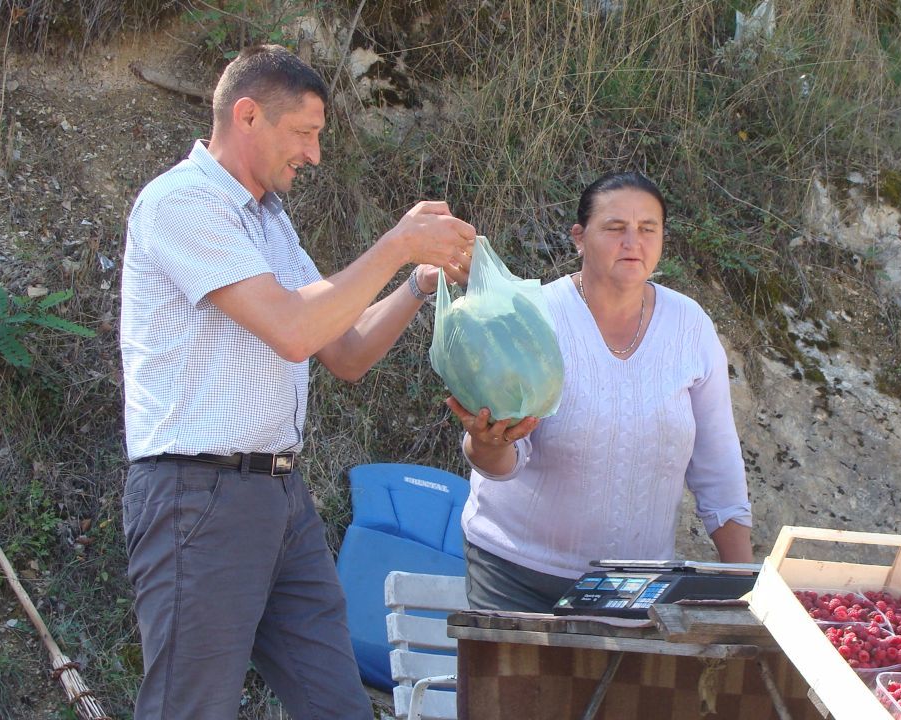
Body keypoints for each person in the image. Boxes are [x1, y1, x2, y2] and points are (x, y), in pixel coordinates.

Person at [118, 45, 475, 719]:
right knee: (189, 708)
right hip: (196, 499)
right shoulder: (181, 203)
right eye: (304, 133)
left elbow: (344, 349)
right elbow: (291, 329)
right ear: (248, 116)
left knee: (337, 703)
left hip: (280, 498)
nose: (314, 154)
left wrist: (418, 284)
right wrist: (397, 243)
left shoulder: (269, 223)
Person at [446, 171, 754, 612]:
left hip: (635, 586)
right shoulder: (533, 317)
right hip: (519, 573)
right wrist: (486, 443)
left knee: (628, 685)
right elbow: (502, 459)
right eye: (614, 228)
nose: (633, 242)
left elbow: (718, 464)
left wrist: (743, 586)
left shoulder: (690, 326)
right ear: (579, 237)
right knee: (523, 684)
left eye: (648, 229)